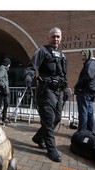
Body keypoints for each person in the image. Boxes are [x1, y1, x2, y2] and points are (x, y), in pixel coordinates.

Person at [24, 27, 70, 162]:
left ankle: (38, 138)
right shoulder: (42, 51)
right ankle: (51, 149)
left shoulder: (62, 55)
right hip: (46, 91)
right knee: (49, 120)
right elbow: (31, 67)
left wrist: (66, 88)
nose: (55, 39)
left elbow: (63, 75)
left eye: (58, 37)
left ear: (61, 38)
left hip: (58, 91)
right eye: (53, 36)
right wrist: (28, 77)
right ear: (48, 37)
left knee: (57, 118)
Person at [74, 49, 95, 133]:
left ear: (89, 55)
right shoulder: (94, 64)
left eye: (84, 55)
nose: (83, 57)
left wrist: (78, 85)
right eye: (82, 55)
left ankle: (81, 133)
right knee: (89, 113)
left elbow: (88, 76)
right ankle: (91, 132)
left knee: (83, 113)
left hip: (85, 91)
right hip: (91, 91)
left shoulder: (90, 63)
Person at [0, 58, 11, 124]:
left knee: (6, 104)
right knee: (0, 105)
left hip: (5, 91)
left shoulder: (5, 69)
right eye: (9, 64)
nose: (10, 65)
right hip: (2, 90)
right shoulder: (2, 69)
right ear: (8, 64)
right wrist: (3, 85)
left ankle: (4, 118)